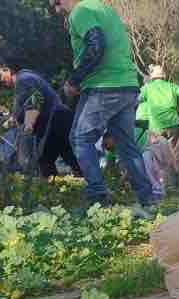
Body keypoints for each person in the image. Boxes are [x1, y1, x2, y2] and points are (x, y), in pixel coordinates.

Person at [53, 0, 155, 215]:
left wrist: (74, 80)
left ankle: (98, 200)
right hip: (127, 85)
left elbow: (96, 44)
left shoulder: (81, 11)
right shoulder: (105, 9)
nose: (57, 9)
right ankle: (148, 200)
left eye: (56, 3)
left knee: (80, 138)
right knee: (126, 145)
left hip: (103, 86)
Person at [0, 61, 80, 178]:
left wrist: (28, 126)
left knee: (46, 161)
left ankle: (89, 182)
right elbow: (26, 108)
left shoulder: (23, 79)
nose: (0, 80)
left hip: (55, 122)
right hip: (56, 121)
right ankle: (90, 181)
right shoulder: (25, 79)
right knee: (60, 159)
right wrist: (9, 122)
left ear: (8, 70)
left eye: (0, 75)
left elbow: (35, 100)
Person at [138, 64, 179, 187]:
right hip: (173, 123)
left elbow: (136, 99)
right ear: (163, 76)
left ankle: (163, 183)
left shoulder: (148, 88)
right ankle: (178, 183)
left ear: (152, 77)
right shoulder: (171, 86)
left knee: (158, 156)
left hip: (156, 127)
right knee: (176, 154)